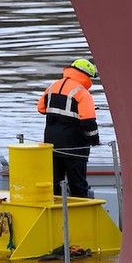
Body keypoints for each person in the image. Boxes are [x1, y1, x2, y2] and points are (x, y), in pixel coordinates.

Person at [36, 57, 101, 199]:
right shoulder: (82, 93)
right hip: (75, 148)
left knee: (54, 184)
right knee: (78, 184)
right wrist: (95, 140)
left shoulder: (52, 87)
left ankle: (56, 215)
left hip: (51, 145)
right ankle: (81, 215)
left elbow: (41, 108)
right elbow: (89, 122)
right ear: (87, 75)